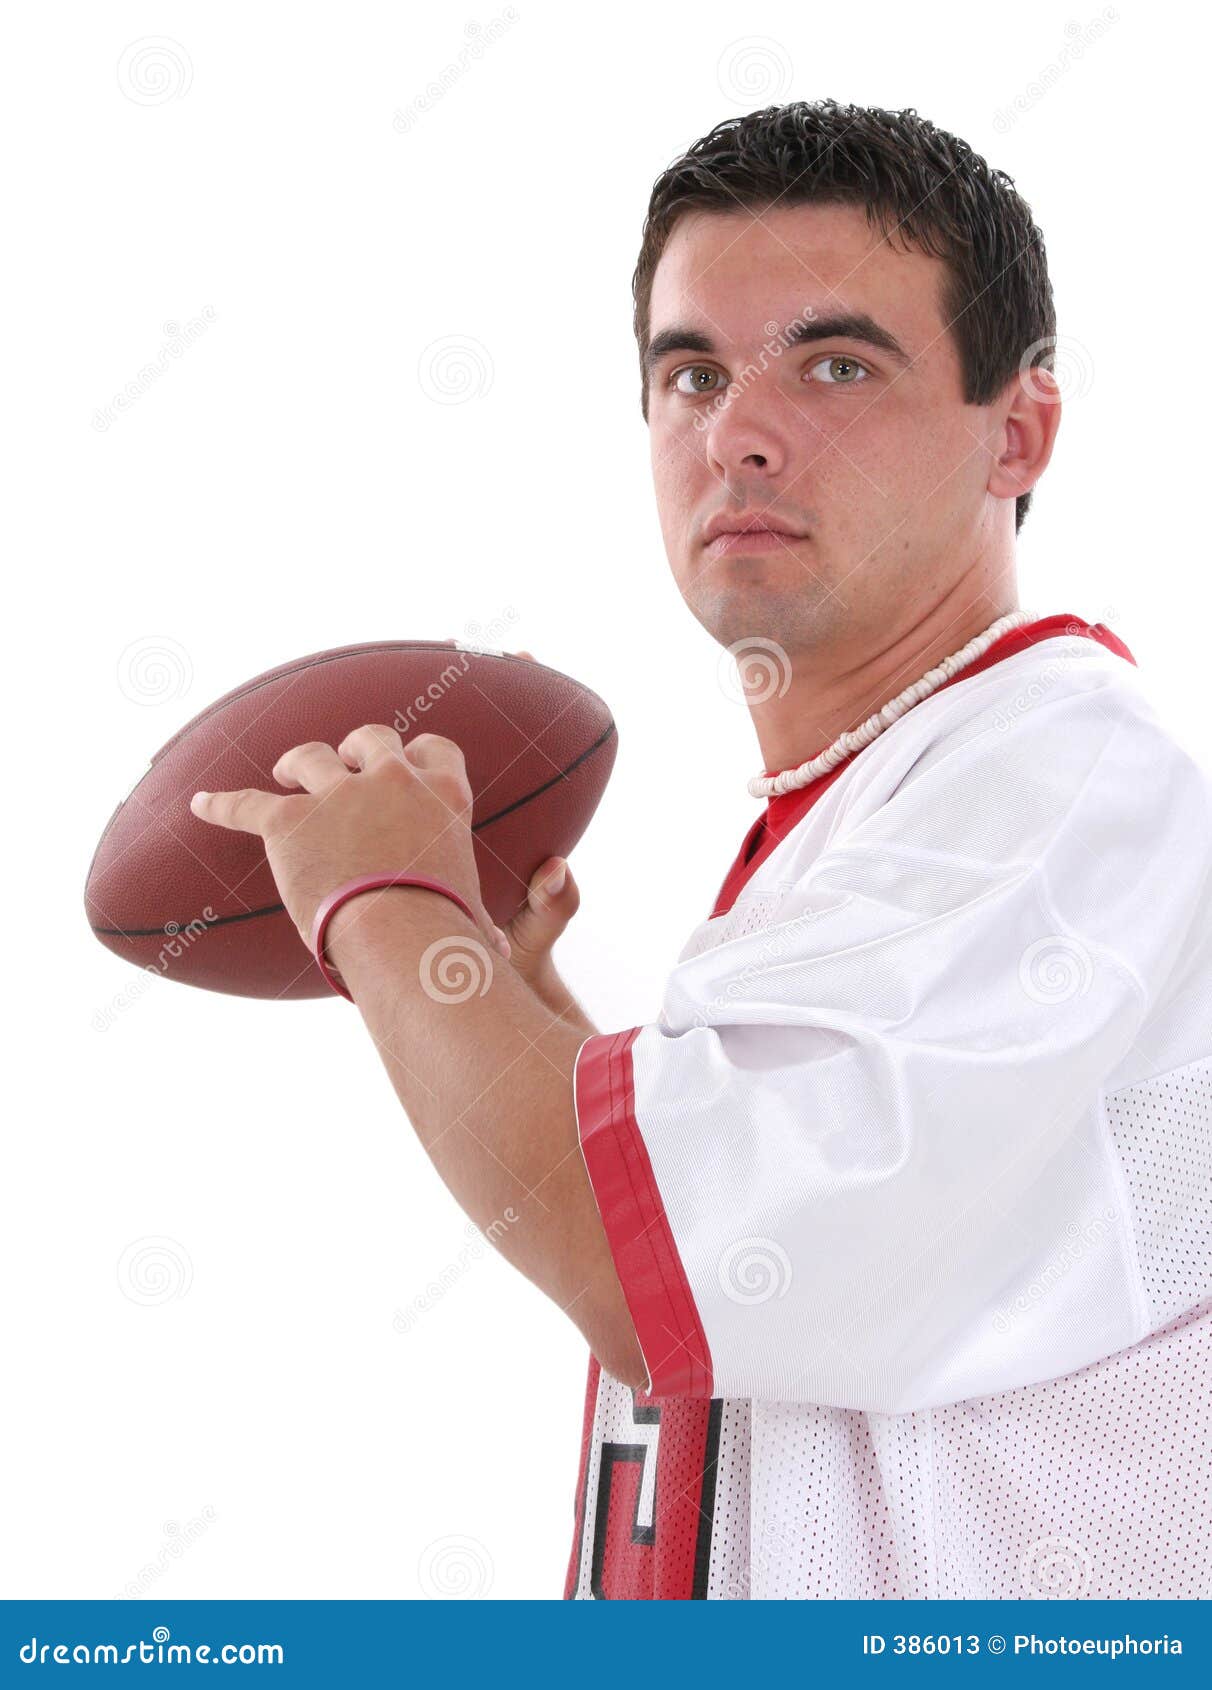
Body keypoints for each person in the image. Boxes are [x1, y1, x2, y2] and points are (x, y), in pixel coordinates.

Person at [191, 100, 1212, 1600]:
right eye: (692, 371)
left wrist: (384, 899)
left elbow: (640, 1251)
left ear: (1021, 429)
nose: (735, 427)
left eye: (836, 363)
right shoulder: (885, 800)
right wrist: (508, 1002)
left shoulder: (1065, 779)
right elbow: (762, 1260)